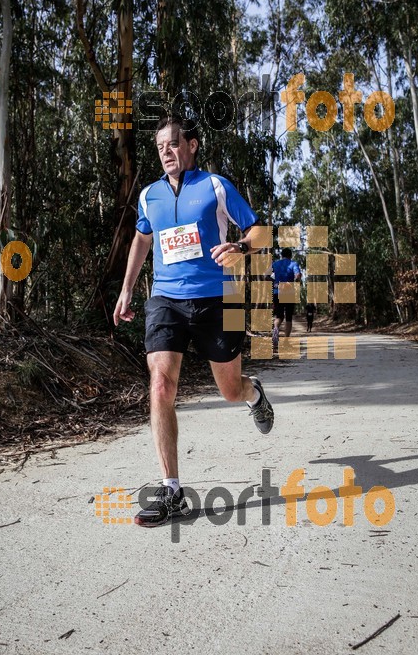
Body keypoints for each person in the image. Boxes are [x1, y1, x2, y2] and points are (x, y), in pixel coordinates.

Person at [113, 115, 274, 528]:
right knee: (161, 383)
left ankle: (253, 393)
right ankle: (172, 490)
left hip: (218, 300)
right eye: (160, 146)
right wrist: (128, 288)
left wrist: (240, 245)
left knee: (229, 389)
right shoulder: (150, 195)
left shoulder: (215, 186)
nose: (165, 152)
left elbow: (261, 231)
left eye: (172, 143)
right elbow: (143, 238)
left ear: (192, 145)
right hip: (166, 299)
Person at [271, 247, 301, 345]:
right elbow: (298, 275)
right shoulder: (293, 264)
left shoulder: (275, 264)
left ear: (281, 255)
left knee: (279, 315)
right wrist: (296, 281)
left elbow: (266, 275)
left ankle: (276, 328)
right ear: (290, 255)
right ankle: (286, 340)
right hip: (289, 292)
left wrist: (274, 282)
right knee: (288, 317)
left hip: (277, 291)